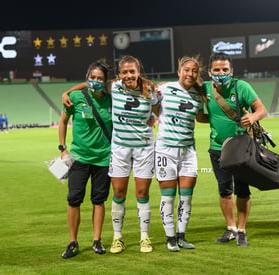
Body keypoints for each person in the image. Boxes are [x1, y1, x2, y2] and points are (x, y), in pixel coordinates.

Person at [63, 55, 159, 254]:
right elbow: (92, 82)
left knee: (138, 194)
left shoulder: (148, 90)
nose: (129, 75)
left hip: (134, 151)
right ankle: (113, 237)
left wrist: (152, 117)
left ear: (138, 72)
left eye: (132, 71)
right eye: (124, 72)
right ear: (118, 75)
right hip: (108, 152)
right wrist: (68, 90)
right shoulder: (113, 88)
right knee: (112, 195)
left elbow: (159, 106)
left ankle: (142, 237)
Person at [203, 52, 267, 245]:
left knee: (242, 190)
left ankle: (242, 230)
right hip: (217, 147)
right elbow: (200, 116)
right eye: (216, 70)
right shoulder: (205, 89)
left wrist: (254, 117)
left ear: (231, 71)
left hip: (241, 147)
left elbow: (262, 109)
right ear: (209, 72)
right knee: (224, 190)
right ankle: (230, 228)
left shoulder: (242, 87)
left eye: (224, 69)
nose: (221, 73)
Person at [153, 55, 208, 252]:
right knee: (168, 196)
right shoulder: (164, 88)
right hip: (165, 149)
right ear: (179, 72)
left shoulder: (198, 95)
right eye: (187, 70)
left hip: (188, 151)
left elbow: (201, 117)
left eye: (194, 71)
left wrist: (224, 119)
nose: (190, 74)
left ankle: (181, 236)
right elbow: (152, 106)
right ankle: (170, 238)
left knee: (186, 196)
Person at [59, 60, 112, 258]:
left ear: (105, 82)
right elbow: (63, 122)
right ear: (87, 78)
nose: (95, 81)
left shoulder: (111, 100)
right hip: (79, 157)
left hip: (104, 158)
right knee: (74, 199)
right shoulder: (75, 97)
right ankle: (73, 242)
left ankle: (97, 240)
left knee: (98, 200)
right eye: (92, 78)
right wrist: (62, 148)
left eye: (100, 79)